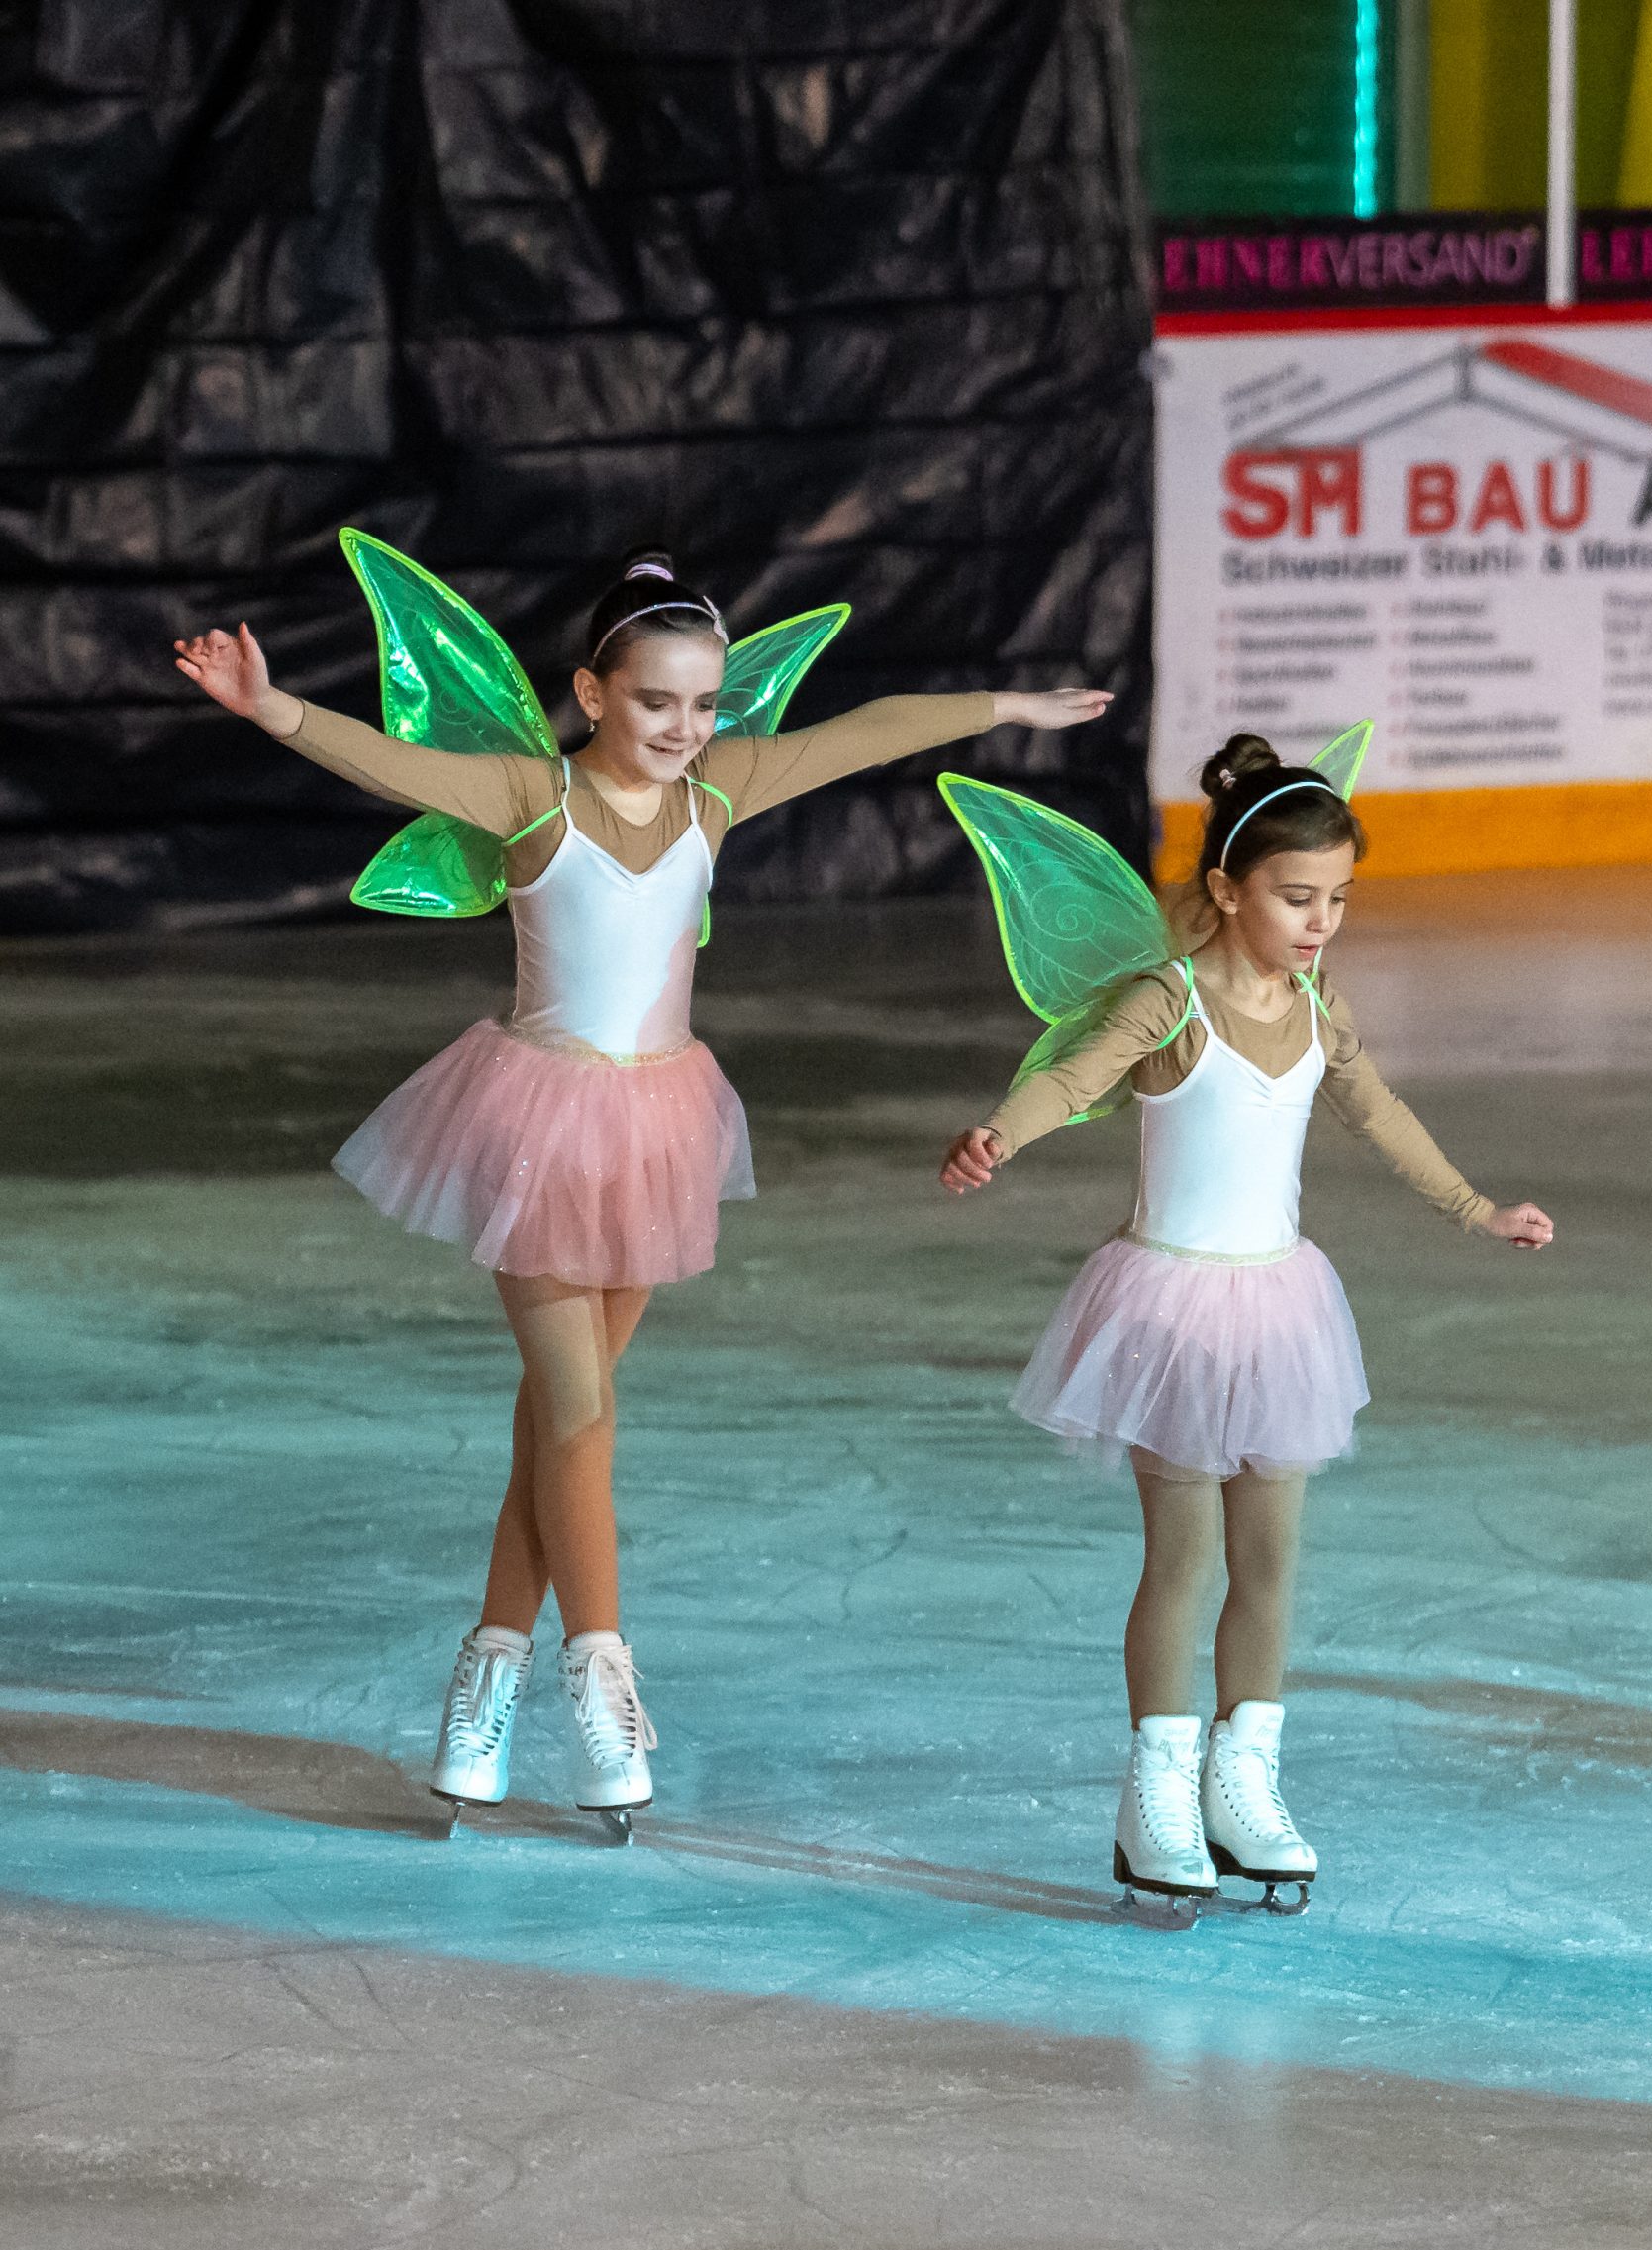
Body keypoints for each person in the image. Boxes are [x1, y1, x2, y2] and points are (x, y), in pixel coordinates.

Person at [176, 547, 1110, 1830]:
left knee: (558, 1428)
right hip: (537, 1127)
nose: (684, 727)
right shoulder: (533, 793)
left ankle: (484, 1679)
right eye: (657, 700)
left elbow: (869, 729)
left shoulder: (715, 793)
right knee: (580, 1412)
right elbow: (389, 765)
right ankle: (601, 1672)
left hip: (658, 1131)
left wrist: (1009, 706)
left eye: (705, 703)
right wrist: (269, 706)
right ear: (592, 693)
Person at [939, 731, 1552, 1908]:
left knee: (1269, 1560)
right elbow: (1073, 1075)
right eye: (1295, 896)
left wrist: (1477, 1209)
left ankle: (1242, 1780)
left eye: (1338, 897)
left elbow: (1380, 1115)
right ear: (1226, 889)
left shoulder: (1319, 1009)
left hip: (1278, 1313)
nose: (1321, 920)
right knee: (1186, 1558)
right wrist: (999, 1135)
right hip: (1170, 1313)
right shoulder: (1166, 1001)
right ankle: (1156, 1792)